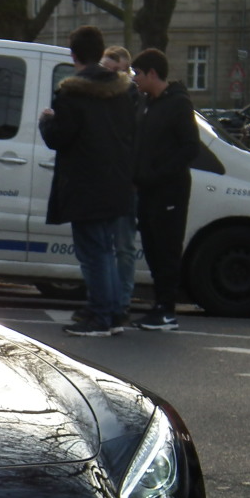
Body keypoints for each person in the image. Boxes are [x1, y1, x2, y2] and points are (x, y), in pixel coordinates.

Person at [39, 25, 136, 337]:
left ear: (74, 54)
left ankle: (99, 314)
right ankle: (112, 311)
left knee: (93, 252)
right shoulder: (122, 91)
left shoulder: (73, 93)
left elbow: (59, 138)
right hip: (116, 181)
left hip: (85, 183)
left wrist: (46, 122)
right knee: (105, 249)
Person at [129, 48, 200, 331]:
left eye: (139, 74)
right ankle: (159, 305)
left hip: (169, 191)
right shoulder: (147, 103)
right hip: (147, 190)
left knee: (167, 248)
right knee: (152, 248)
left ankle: (167, 310)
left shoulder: (178, 104)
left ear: (153, 74)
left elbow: (189, 148)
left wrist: (158, 174)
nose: (136, 79)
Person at [100, 44, 141, 330]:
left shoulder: (134, 100)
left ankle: (121, 303)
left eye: (118, 70)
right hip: (103, 181)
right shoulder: (95, 96)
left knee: (123, 247)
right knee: (103, 247)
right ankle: (107, 301)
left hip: (125, 183)